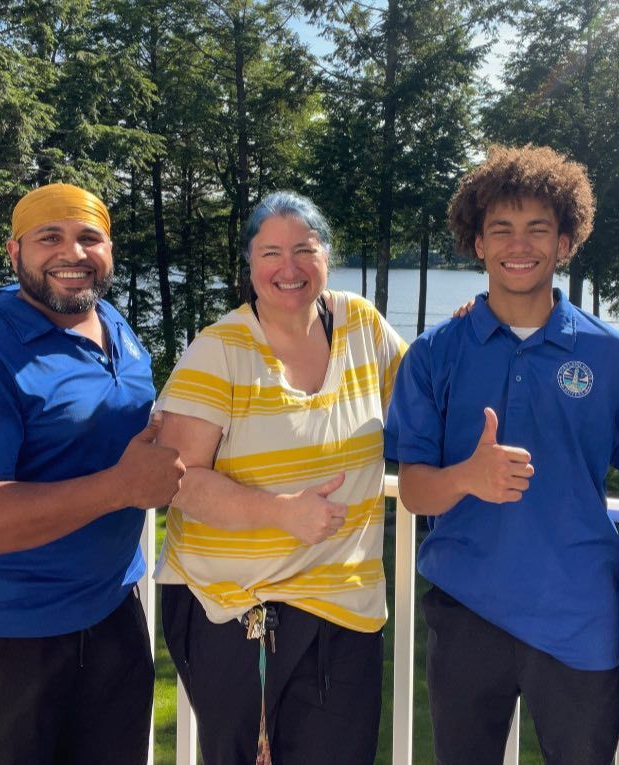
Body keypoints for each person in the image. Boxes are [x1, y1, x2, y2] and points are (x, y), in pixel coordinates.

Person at [0, 182, 186, 765]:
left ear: (109, 250)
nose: (72, 254)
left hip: (109, 614)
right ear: (15, 253)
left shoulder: (113, 326)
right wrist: (121, 488)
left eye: (89, 238)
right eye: (49, 238)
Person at [385, 144, 619, 764]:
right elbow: (414, 491)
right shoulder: (433, 354)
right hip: (467, 608)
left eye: (538, 228)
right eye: (501, 228)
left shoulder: (614, 357)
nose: (519, 244)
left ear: (565, 242)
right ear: (477, 244)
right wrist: (467, 477)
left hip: (582, 614)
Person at [153, 191, 406, 765]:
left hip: (347, 605)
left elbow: (422, 396)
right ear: (249, 264)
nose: (288, 268)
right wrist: (280, 512)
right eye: (270, 252)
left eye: (304, 250)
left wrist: (472, 321)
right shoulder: (219, 349)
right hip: (238, 613)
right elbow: (176, 479)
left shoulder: (361, 325)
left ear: (327, 256)